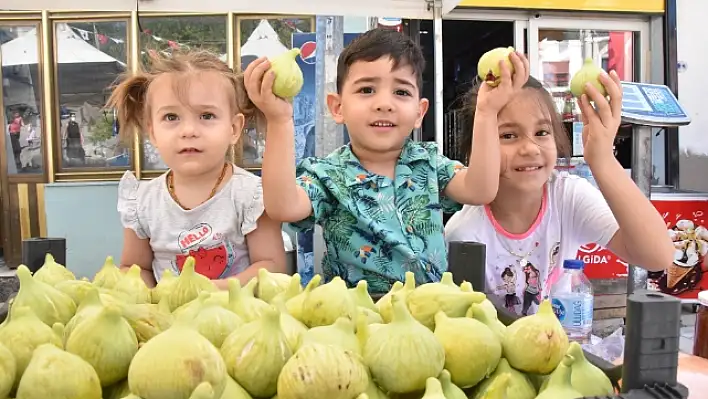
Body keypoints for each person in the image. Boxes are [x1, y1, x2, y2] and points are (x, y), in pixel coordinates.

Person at [244, 29, 530, 294]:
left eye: (401, 92)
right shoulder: (327, 174)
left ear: (420, 112)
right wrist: (279, 120)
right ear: (337, 107)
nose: (384, 103)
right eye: (367, 90)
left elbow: (480, 189)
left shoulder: (429, 163)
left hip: (428, 313)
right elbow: (283, 206)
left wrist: (487, 111)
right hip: (356, 320)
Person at [445, 72, 674, 316]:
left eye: (542, 132)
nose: (530, 148)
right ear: (476, 150)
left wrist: (603, 160)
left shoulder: (567, 196)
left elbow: (657, 255)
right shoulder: (464, 234)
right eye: (508, 135)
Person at [107, 49, 286, 289]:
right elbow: (135, 268)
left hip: (235, 319)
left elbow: (271, 265)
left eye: (206, 115)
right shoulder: (142, 201)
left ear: (234, 129)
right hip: (169, 320)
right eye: (171, 117)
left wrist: (213, 292)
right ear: (152, 132)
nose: (188, 130)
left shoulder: (250, 194)